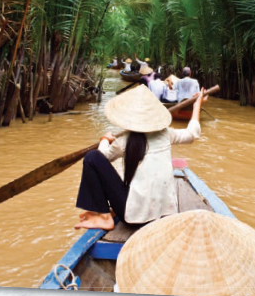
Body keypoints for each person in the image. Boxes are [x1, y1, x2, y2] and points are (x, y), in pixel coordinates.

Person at [74, 85, 209, 230]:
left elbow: (102, 157)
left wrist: (105, 140)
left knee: (91, 157)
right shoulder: (165, 134)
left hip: (134, 219)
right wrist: (197, 104)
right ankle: (110, 212)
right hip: (166, 215)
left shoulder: (125, 140)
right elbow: (192, 133)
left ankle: (104, 216)